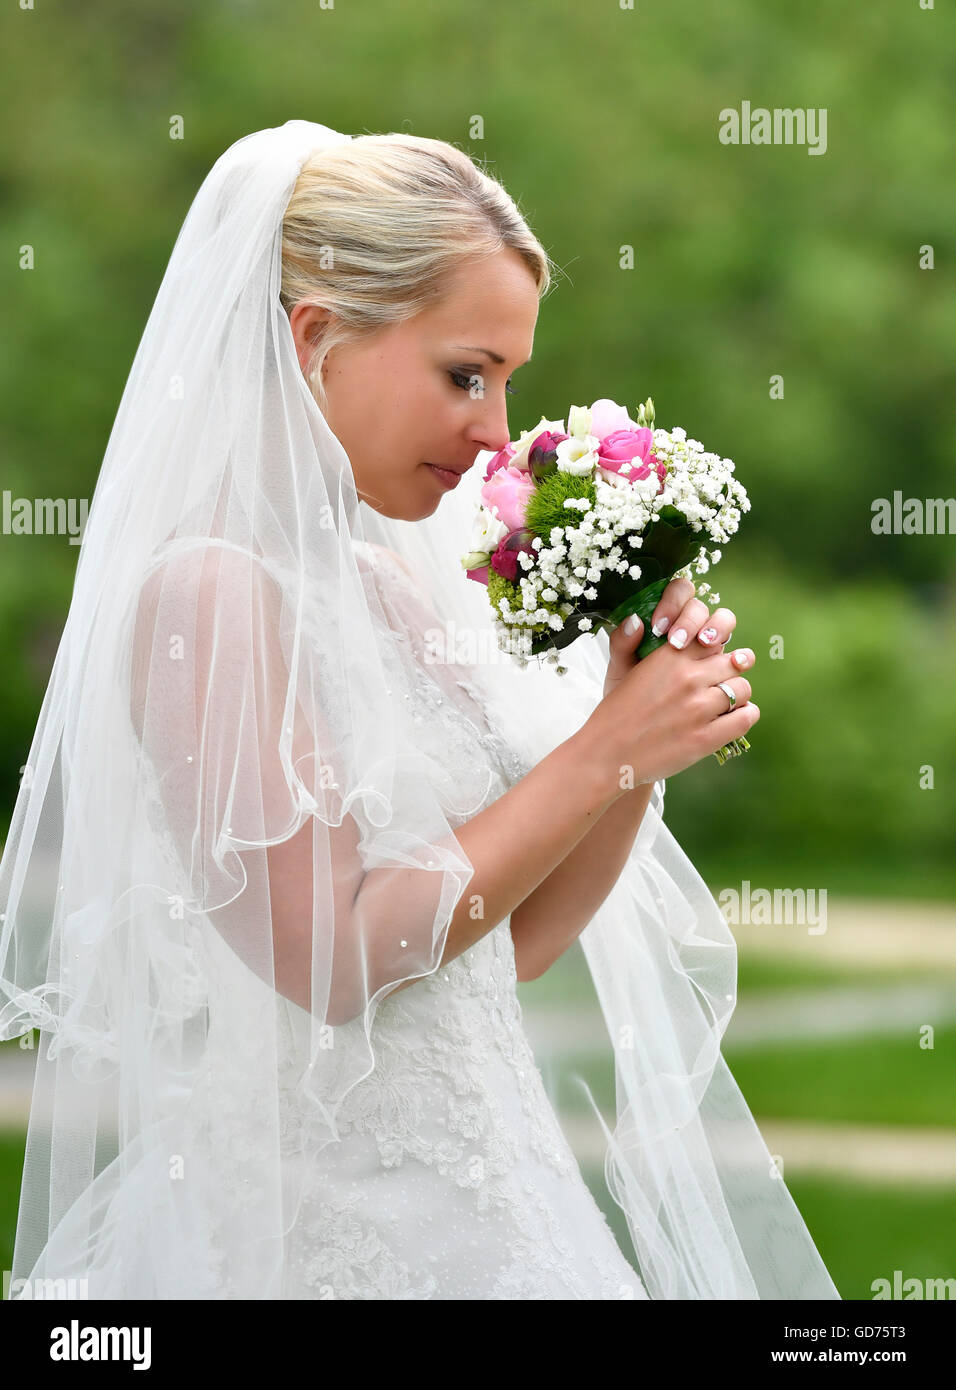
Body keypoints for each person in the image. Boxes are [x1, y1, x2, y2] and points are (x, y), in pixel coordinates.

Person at [0, 120, 840, 1300]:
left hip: (495, 1208)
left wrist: (636, 732)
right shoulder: (208, 591)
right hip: (318, 1239)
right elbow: (334, 958)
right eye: (465, 372)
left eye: (505, 378)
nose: (497, 429)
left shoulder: (391, 577)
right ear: (316, 338)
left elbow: (508, 946)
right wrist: (601, 753)